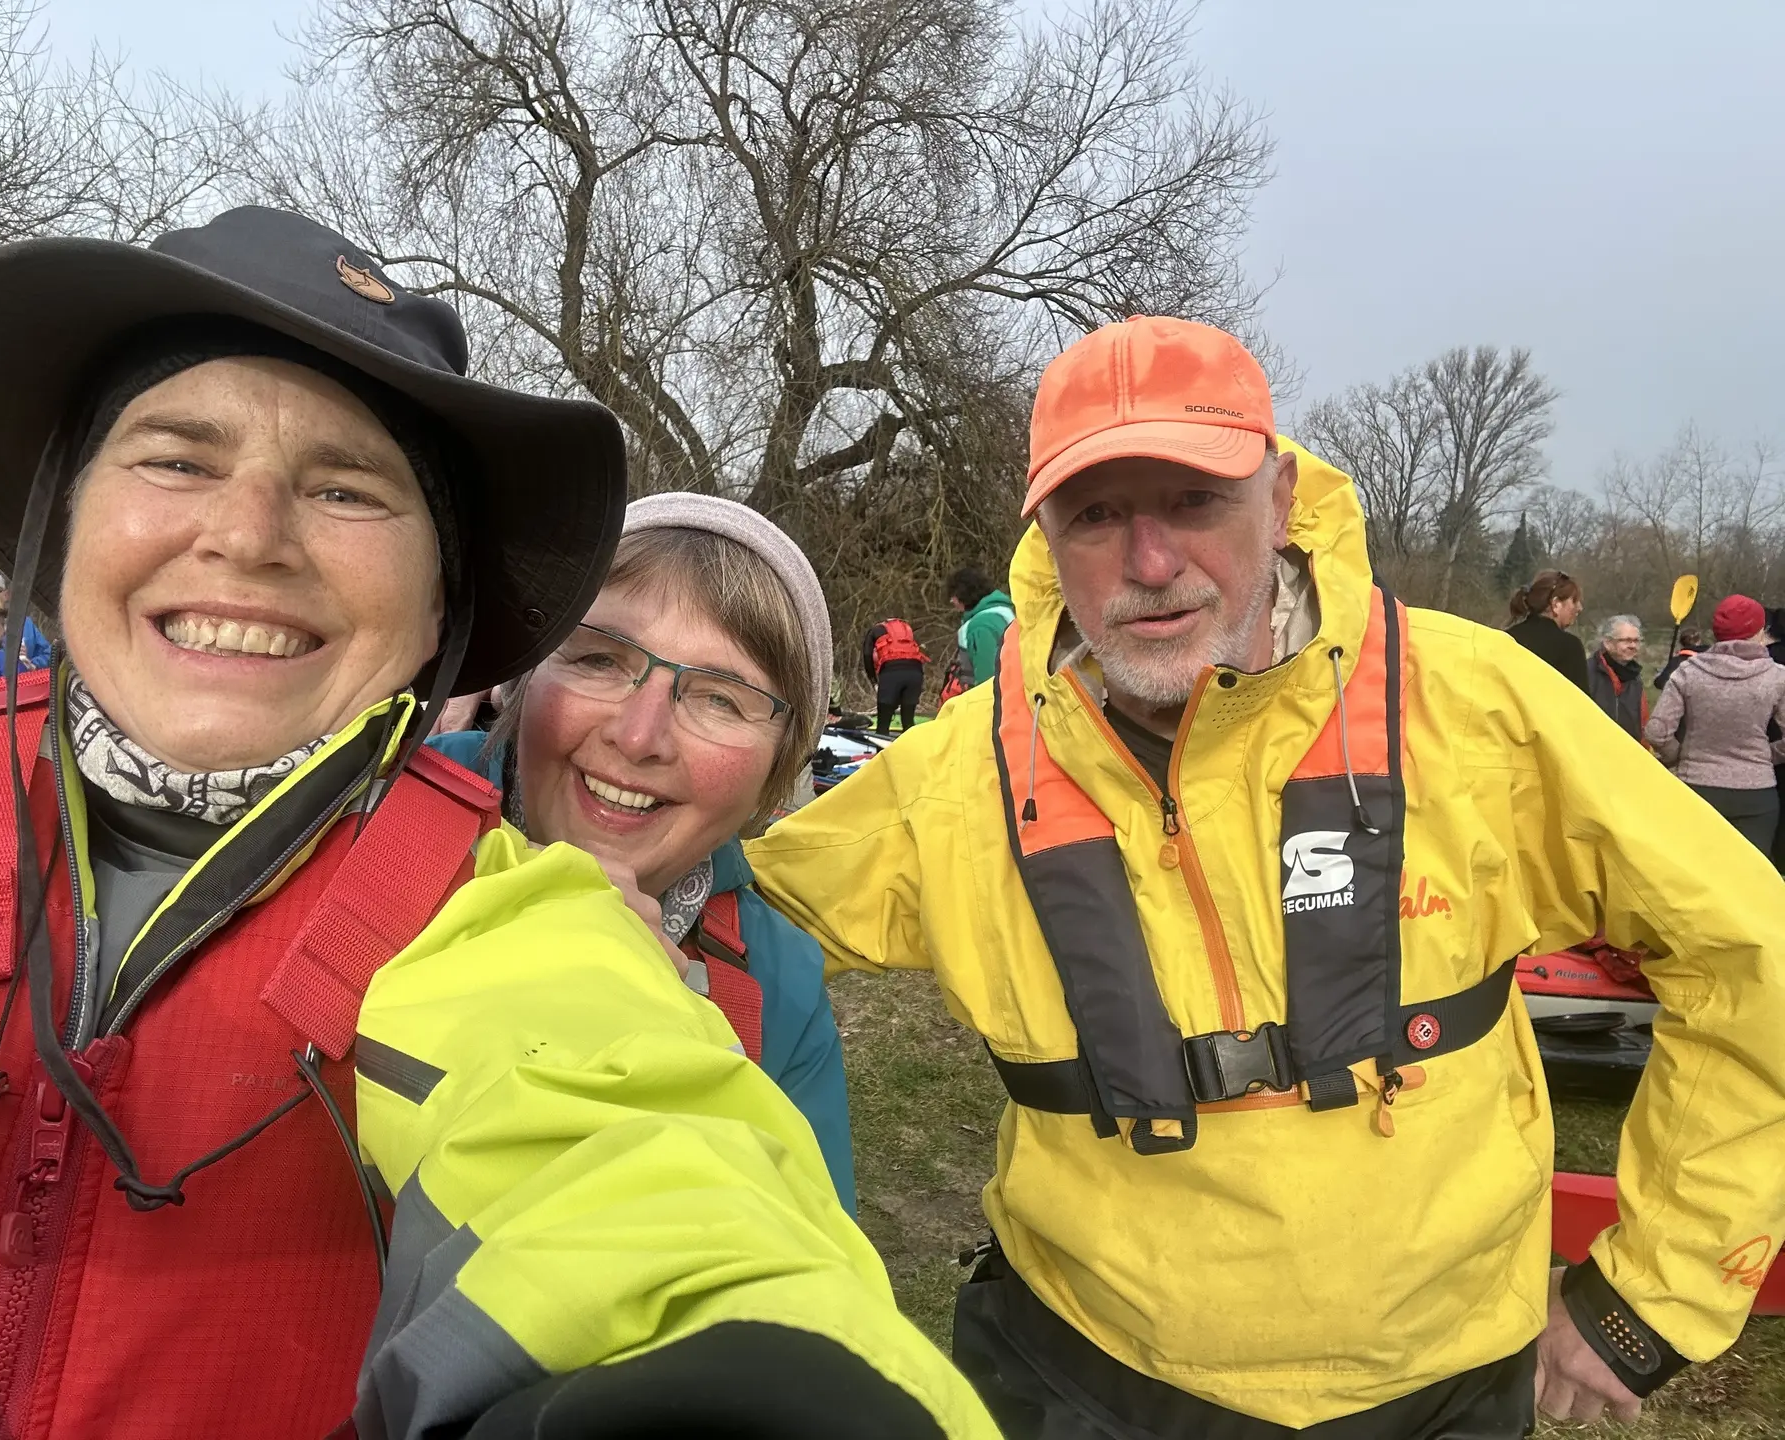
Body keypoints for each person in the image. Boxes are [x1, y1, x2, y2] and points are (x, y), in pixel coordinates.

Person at [0, 206, 994, 1440]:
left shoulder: (495, 915)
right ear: (65, 511)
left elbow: (660, 1203)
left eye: (348, 488)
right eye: (177, 457)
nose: (245, 535)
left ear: (438, 605)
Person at [747, 315, 1785, 1437]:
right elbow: (721, 908)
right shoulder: (957, 773)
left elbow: (1752, 957)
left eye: (1195, 499)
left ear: (1281, 499)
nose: (1151, 563)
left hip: (1445, 1380)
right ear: (1045, 533)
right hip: (1090, 1374)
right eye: (1096, 514)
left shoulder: (1479, 707)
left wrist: (1650, 1298)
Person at [428, 492, 857, 1211]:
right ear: (522, 682)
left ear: (776, 777)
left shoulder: (774, 987)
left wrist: (683, 1049)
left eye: (722, 700)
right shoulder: (352, 824)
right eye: (598, 659)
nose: (638, 737)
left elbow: (802, 1265)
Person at [1645, 594, 1785, 852]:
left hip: (1696, 787)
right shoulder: (1777, 676)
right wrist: (1767, 755)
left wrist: (1680, 755)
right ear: (1758, 631)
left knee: (1694, 878)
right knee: (1749, 879)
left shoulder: (1688, 671)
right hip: (1755, 794)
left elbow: (1657, 730)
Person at [1505, 568, 1591, 693]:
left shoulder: (1507, 638)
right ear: (1556, 604)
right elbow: (1579, 704)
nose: (1579, 608)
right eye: (1574, 601)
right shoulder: (1569, 647)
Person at [947, 566, 1016, 693]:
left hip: (989, 701)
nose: (952, 600)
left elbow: (987, 675)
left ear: (963, 593)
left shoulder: (980, 626)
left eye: (953, 595)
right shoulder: (1005, 612)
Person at [0, 568, 55, 668]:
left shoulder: (24, 623)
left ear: (6, 595)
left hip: (24, 682)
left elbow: (49, 655)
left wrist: (31, 665)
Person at [861, 615, 928, 730]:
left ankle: (882, 746)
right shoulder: (907, 630)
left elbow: (867, 655)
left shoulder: (874, 631)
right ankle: (910, 746)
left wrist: (873, 681)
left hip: (891, 673)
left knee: (883, 722)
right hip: (915, 672)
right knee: (908, 721)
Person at [1588, 613, 1648, 742]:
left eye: (1636, 641)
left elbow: (1642, 722)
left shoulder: (1635, 678)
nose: (1632, 645)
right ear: (1608, 643)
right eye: (1626, 640)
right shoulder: (1587, 673)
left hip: (1629, 753)